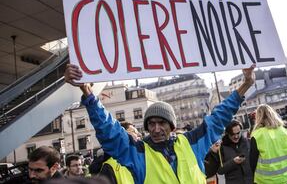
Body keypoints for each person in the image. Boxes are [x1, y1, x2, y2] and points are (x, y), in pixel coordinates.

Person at [64, 63, 255, 184]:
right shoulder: (137, 152)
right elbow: (109, 130)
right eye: (151, 124)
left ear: (172, 126)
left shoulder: (190, 143)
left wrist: (245, 85)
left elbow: (219, 117)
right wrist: (87, 92)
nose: (156, 129)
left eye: (162, 123)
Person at [250, 104, 287, 184]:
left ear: (258, 117)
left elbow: (253, 161)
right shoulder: (285, 132)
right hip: (285, 178)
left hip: (264, 180)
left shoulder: (257, 135)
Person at [212, 120, 253, 184]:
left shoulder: (248, 142)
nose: (236, 136)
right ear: (227, 134)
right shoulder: (221, 147)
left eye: (238, 133)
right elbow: (220, 170)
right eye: (233, 134)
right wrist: (233, 162)